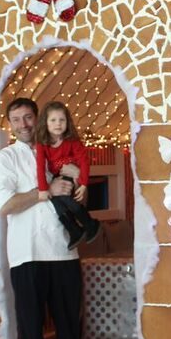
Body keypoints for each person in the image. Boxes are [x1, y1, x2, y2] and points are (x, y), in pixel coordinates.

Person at [0, 97, 103, 339]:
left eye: (28, 117)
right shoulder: (5, 159)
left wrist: (81, 185)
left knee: (69, 322)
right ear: (9, 124)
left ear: (38, 119)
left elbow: (76, 178)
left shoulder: (54, 147)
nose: (24, 124)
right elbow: (5, 206)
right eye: (17, 119)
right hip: (27, 253)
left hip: (64, 249)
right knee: (32, 322)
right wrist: (43, 192)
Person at [35, 101, 101, 249]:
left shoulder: (71, 141)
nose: (58, 124)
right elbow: (40, 166)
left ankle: (89, 223)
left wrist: (83, 183)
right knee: (55, 200)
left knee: (63, 194)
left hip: (71, 172)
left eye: (62, 120)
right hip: (56, 175)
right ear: (45, 123)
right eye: (53, 120)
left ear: (67, 122)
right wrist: (43, 189)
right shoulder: (42, 144)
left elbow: (84, 161)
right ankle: (74, 229)